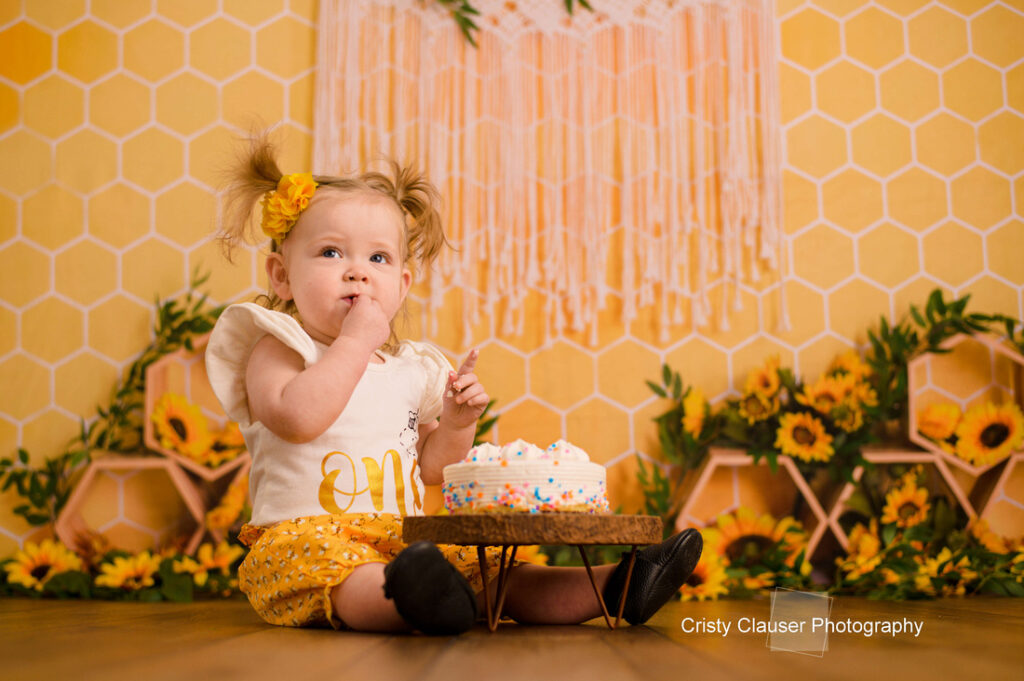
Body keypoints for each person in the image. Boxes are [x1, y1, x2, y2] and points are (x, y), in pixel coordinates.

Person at [206, 133, 703, 635]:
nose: (357, 273)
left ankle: (618, 584)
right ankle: (415, 604)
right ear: (282, 276)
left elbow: (431, 469)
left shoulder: (408, 368)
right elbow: (296, 419)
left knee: (494, 574)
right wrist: (353, 344)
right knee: (352, 577)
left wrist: (457, 424)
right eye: (331, 253)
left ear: (401, 285)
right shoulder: (279, 345)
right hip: (306, 539)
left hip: (402, 541)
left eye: (377, 259)